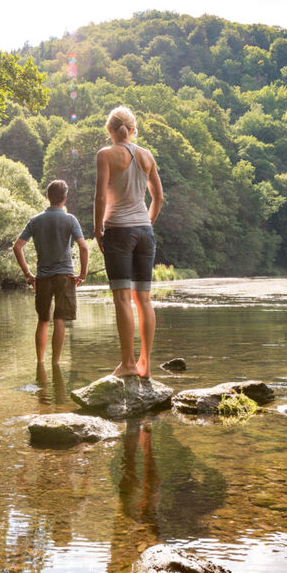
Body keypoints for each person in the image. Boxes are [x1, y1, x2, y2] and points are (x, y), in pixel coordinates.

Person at [94, 106, 165, 378]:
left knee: (123, 299)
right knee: (144, 300)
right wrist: (146, 224)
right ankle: (145, 366)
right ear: (133, 129)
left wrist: (98, 229)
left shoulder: (106, 155)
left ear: (111, 131)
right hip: (144, 231)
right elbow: (158, 198)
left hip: (118, 231)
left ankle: (127, 364)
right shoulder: (147, 156)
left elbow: (100, 198)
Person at [13, 179, 89, 378]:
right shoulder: (71, 220)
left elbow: (17, 246)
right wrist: (82, 274)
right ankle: (55, 363)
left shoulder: (35, 220)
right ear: (65, 198)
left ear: (47, 196)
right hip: (65, 276)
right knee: (60, 319)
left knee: (43, 320)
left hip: (43, 277)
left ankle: (40, 363)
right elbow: (83, 246)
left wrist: (28, 274)